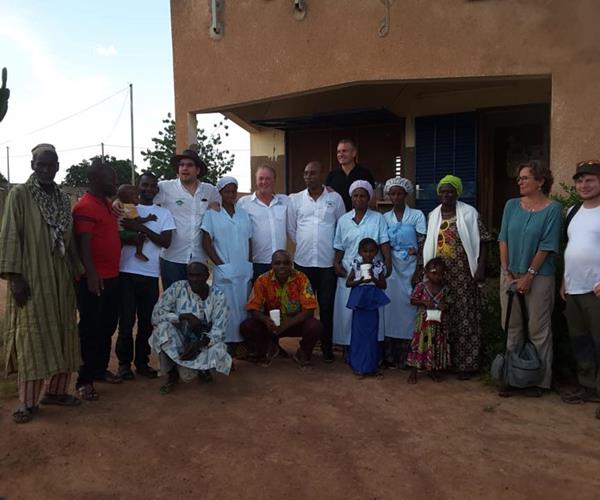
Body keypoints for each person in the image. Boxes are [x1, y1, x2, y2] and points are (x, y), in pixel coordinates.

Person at [0, 144, 82, 423]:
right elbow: (10, 234)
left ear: (58, 165)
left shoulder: (61, 198)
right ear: (33, 165)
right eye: (41, 164)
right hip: (31, 276)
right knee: (32, 336)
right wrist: (14, 277)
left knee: (63, 332)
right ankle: (27, 402)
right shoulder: (20, 195)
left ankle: (57, 391)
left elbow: (68, 237)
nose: (47, 169)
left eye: (51, 164)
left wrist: (77, 269)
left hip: (60, 276)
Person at [498, 161, 561, 396]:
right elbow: (503, 238)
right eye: (519, 178)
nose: (520, 182)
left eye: (525, 178)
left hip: (540, 277)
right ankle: (512, 377)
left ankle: (539, 381)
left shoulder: (553, 209)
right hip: (511, 275)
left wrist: (529, 276)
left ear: (541, 181)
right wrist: (507, 271)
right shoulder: (511, 205)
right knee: (513, 327)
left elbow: (547, 245)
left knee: (538, 329)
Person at [423, 174, 491, 380]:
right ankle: (443, 361)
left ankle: (467, 365)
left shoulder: (469, 213)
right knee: (442, 318)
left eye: (450, 191)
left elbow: (484, 241)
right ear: (438, 194)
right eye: (443, 191)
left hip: (464, 274)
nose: (446, 195)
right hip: (440, 276)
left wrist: (480, 268)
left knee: (465, 317)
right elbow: (428, 243)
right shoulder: (433, 215)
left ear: (457, 193)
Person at [116, 173, 176, 381]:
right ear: (138, 187)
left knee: (146, 322)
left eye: (152, 186)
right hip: (126, 272)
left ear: (157, 190)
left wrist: (140, 227)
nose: (149, 189)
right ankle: (123, 364)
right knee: (125, 321)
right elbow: (119, 235)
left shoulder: (164, 214)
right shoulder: (124, 207)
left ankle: (142, 362)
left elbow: (165, 242)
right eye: (145, 185)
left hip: (150, 274)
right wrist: (136, 232)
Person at [72, 159, 122, 400]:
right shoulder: (85, 207)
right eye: (110, 178)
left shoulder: (106, 204)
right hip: (94, 280)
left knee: (106, 327)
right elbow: (83, 244)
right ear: (95, 180)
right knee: (90, 329)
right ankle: (84, 379)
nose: (115, 182)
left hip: (112, 277)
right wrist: (90, 274)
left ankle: (100, 369)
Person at [287, 161, 345, 362]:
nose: (308, 177)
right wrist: (307, 242)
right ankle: (307, 348)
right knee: (306, 309)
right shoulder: (295, 200)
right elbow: (292, 230)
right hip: (303, 263)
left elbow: (341, 227)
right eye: (305, 173)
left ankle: (327, 348)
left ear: (321, 175)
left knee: (327, 306)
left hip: (327, 264)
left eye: (313, 173)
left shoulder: (335, 198)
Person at [149, 262, 232, 394]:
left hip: (203, 344)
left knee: (220, 350)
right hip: (179, 342)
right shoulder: (177, 288)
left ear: (207, 276)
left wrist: (198, 345)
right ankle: (172, 375)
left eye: (198, 275)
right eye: (191, 275)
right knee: (162, 329)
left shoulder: (218, 296)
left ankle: (203, 370)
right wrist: (183, 316)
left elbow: (219, 331)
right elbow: (156, 316)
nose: (194, 279)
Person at [560, 160, 600, 413]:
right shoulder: (572, 211)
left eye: (590, 180)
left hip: (596, 289)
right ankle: (588, 385)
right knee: (581, 340)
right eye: (580, 180)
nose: (583, 185)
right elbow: (569, 247)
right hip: (573, 288)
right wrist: (564, 279)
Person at [332, 180, 391, 349]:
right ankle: (348, 347)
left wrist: (388, 262)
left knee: (370, 310)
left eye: (363, 196)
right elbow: (339, 246)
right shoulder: (343, 220)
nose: (359, 199)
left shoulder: (377, 218)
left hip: (370, 272)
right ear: (351, 198)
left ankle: (371, 347)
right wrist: (336, 263)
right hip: (349, 271)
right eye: (355, 196)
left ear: (369, 198)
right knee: (347, 312)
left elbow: (384, 242)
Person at [240, 250, 323, 367]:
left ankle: (303, 353)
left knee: (315, 326)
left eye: (286, 263)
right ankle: (267, 349)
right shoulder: (263, 280)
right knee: (247, 326)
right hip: (271, 325)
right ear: (271, 265)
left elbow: (309, 310)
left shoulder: (301, 278)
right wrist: (265, 320)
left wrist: (286, 324)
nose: (282, 266)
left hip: (294, 323)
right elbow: (253, 307)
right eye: (277, 263)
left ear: (291, 264)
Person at [154, 149, 220, 289]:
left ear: (197, 170)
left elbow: (219, 213)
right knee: (173, 301)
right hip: (172, 258)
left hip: (199, 258)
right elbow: (141, 199)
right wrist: (119, 202)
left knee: (198, 300)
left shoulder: (210, 191)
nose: (184, 168)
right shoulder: (164, 187)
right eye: (181, 165)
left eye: (189, 165)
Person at [201, 176, 253, 350]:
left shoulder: (244, 214)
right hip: (223, 270)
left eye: (233, 191)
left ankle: (241, 346)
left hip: (243, 270)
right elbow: (206, 242)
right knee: (224, 310)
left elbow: (249, 240)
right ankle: (224, 347)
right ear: (220, 193)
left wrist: (249, 262)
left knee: (243, 308)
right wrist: (221, 265)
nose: (231, 194)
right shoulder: (212, 214)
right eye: (227, 191)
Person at [381, 176, 426, 369]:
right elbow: (383, 244)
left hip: (410, 267)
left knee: (410, 308)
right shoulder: (384, 218)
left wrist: (419, 269)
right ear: (389, 196)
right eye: (393, 193)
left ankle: (409, 356)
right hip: (392, 268)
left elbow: (422, 242)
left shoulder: (416, 215)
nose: (397, 197)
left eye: (400, 193)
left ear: (406, 195)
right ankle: (391, 356)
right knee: (390, 309)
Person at [346, 238, 390, 378]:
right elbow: (348, 283)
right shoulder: (356, 265)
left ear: (376, 252)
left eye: (372, 251)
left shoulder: (378, 266)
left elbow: (383, 286)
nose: (368, 254)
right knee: (358, 334)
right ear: (360, 252)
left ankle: (371, 366)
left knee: (372, 334)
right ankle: (358, 366)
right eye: (365, 251)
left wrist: (373, 279)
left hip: (372, 300)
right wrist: (360, 281)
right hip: (359, 300)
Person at [237, 165, 290, 280]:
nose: (264, 182)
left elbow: (302, 197)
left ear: (274, 180)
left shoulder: (285, 201)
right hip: (257, 263)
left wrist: (326, 189)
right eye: (261, 178)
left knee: (281, 297)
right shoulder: (244, 203)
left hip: (281, 264)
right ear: (256, 181)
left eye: (268, 178)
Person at [406, 258, 451, 384]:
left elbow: (449, 302)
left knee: (436, 346)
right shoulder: (422, 286)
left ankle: (433, 370)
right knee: (419, 345)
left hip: (438, 324)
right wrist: (425, 302)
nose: (437, 276)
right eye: (434, 273)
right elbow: (412, 300)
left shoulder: (445, 289)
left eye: (440, 274)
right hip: (423, 325)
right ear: (426, 272)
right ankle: (414, 372)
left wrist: (444, 305)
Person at [326, 139, 375, 211]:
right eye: (338, 152)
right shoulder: (332, 175)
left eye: (344, 151)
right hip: (337, 217)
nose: (341, 154)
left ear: (354, 153)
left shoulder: (365, 173)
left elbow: (372, 198)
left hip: (359, 217)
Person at [116, 183, 157, 261]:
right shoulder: (130, 207)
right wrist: (149, 218)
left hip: (119, 231)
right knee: (141, 237)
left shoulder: (121, 204)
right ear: (129, 198)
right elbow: (139, 220)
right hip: (124, 232)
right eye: (136, 197)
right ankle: (139, 252)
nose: (138, 199)